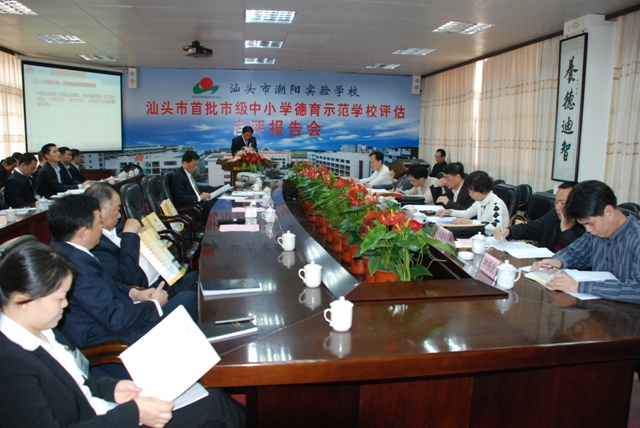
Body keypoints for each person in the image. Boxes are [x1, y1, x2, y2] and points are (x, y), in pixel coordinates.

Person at [0, 242, 246, 428]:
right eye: (59, 298)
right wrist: (133, 413)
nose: (66, 305)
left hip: (105, 410)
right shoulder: (10, 364)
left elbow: (77, 379)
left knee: (209, 398)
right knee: (213, 407)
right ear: (24, 301)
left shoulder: (44, 328)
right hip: (107, 420)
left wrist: (112, 388)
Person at [48, 195, 198, 348]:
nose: (101, 227)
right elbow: (114, 319)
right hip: (113, 341)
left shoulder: (65, 250)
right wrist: (154, 305)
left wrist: (133, 293)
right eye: (99, 223)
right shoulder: (77, 267)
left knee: (192, 287)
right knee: (188, 299)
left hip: (116, 319)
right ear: (83, 233)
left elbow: (107, 287)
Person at [531, 180, 640, 304]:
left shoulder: (636, 238)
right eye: (584, 225)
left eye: (590, 223)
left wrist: (581, 286)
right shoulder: (596, 233)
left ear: (609, 212)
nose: (588, 230)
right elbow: (577, 252)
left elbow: (637, 289)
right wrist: (558, 261)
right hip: (598, 308)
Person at [86, 183, 199, 295]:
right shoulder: (97, 245)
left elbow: (128, 247)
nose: (119, 215)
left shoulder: (113, 230)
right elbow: (125, 277)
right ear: (101, 210)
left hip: (164, 274)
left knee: (201, 278)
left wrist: (142, 234)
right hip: (151, 290)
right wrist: (130, 234)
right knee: (197, 287)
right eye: (116, 209)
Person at [494, 181, 585, 251]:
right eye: (556, 202)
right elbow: (530, 228)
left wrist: (566, 230)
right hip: (544, 264)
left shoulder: (586, 225)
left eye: (563, 203)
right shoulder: (554, 215)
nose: (557, 207)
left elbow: (578, 255)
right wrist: (509, 231)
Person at [437, 170, 509, 235]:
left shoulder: (497, 204)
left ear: (482, 190)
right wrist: (450, 212)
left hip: (496, 240)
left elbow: (495, 226)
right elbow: (467, 213)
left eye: (472, 192)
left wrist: (470, 222)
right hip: (483, 236)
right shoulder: (479, 201)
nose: (470, 194)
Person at [170, 150, 216, 221]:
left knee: (216, 200)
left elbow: (196, 189)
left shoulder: (188, 174)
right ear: (185, 163)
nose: (196, 167)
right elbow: (180, 198)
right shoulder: (178, 176)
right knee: (215, 204)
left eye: (197, 165)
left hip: (196, 204)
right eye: (194, 165)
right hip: (189, 208)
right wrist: (199, 198)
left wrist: (214, 189)